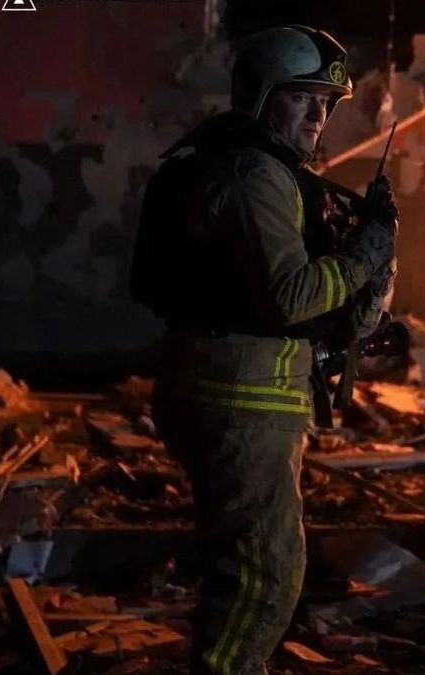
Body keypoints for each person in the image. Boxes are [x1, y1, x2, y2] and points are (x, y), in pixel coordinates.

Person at [131, 25, 397, 674]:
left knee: (243, 568)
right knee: (267, 574)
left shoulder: (242, 164)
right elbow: (290, 297)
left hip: (234, 390)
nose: (317, 116)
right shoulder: (257, 174)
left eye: (325, 103)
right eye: (301, 98)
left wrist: (364, 265)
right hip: (241, 399)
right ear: (258, 96)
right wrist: (363, 257)